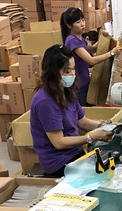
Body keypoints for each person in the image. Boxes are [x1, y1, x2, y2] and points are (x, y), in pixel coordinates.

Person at [29, 45, 114, 177]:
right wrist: (91, 137)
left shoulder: (66, 90)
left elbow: (82, 121)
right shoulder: (45, 101)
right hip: (59, 162)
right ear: (52, 72)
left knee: (112, 160)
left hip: (74, 153)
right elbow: (59, 142)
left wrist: (106, 125)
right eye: (67, 71)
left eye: (73, 69)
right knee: (106, 175)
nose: (72, 74)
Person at [61, 7, 121, 106]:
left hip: (85, 83)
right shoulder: (72, 41)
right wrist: (111, 53)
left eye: (83, 20)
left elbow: (92, 49)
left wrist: (102, 37)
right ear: (69, 25)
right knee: (83, 112)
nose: (82, 24)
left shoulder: (80, 38)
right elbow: (91, 61)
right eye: (78, 22)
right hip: (78, 87)